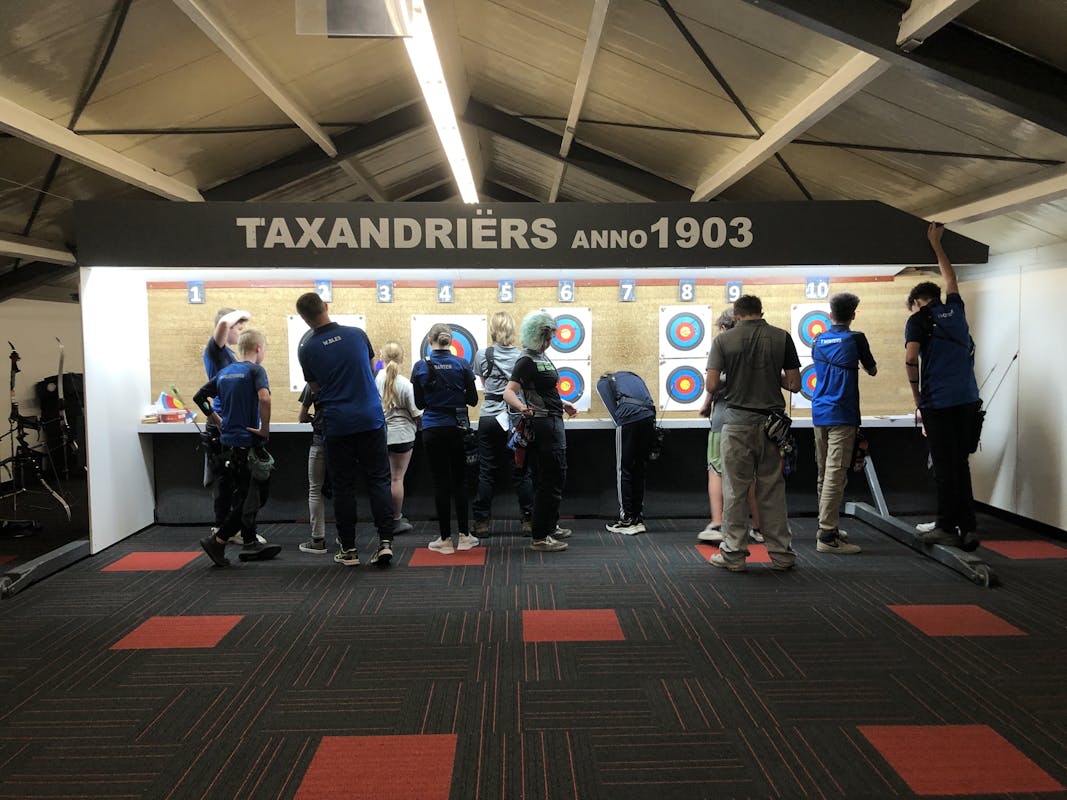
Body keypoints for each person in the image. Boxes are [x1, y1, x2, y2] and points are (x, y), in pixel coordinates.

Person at [295, 292, 394, 567]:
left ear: (304, 319)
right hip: (370, 419)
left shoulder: (307, 349)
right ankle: (385, 542)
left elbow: (316, 389)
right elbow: (372, 369)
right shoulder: (357, 335)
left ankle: (349, 550)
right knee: (378, 480)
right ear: (325, 306)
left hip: (337, 424)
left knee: (343, 487)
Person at [705, 295, 801, 572]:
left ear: (736, 316)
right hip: (771, 427)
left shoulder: (723, 341)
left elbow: (711, 385)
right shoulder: (782, 337)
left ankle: (734, 555)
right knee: (772, 489)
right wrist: (771, 376)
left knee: (735, 490)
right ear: (761, 311)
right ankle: (781, 555)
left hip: (736, 424)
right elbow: (794, 384)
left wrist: (733, 376)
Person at [904, 222, 981, 552]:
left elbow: (911, 359)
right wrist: (936, 244)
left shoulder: (918, 320)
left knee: (944, 466)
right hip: (968, 400)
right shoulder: (956, 309)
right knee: (960, 463)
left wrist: (918, 399)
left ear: (917, 302)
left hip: (938, 403)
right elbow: (951, 278)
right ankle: (969, 527)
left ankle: (947, 527)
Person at [193, 328, 280, 566]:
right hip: (247, 441)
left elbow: (199, 397)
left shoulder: (224, 373)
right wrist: (265, 429)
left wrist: (216, 420)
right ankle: (218, 540)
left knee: (244, 494)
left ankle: (250, 542)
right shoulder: (255, 371)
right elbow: (265, 398)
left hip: (228, 443)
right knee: (257, 495)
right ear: (258, 349)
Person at [503, 312, 578, 553]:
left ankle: (549, 526)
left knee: (557, 476)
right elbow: (509, 392)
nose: (549, 342)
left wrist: (563, 403)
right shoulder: (526, 360)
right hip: (544, 425)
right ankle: (540, 536)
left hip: (554, 420)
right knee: (550, 479)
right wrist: (522, 407)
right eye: (546, 337)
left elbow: (545, 391)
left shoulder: (541, 356)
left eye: (551, 337)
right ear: (536, 336)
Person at [810, 292, 878, 554]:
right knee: (835, 473)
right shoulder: (856, 338)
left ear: (830, 315)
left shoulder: (817, 340)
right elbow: (872, 369)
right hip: (843, 413)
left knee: (824, 473)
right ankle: (827, 535)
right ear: (853, 316)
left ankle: (828, 525)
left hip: (820, 412)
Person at [410, 324, 480, 554]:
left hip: (432, 429)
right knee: (460, 481)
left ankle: (445, 540)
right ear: (450, 340)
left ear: (429, 340)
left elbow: (420, 403)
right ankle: (465, 537)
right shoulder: (461, 364)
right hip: (457, 429)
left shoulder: (420, 366)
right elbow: (472, 400)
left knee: (440, 483)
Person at [698, 309, 762, 545]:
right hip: (751, 420)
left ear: (725, 328)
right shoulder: (755, 349)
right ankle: (759, 527)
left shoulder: (723, 346)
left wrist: (706, 405)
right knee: (749, 476)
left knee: (716, 469)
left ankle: (717, 524)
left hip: (724, 420)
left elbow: (713, 384)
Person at [202, 307, 265, 545]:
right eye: (238, 327)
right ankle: (224, 530)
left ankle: (233, 530)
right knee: (228, 483)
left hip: (232, 425)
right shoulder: (216, 352)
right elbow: (222, 325)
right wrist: (240, 313)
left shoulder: (231, 358)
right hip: (223, 426)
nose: (240, 332)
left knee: (236, 483)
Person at [471, 312, 534, 536]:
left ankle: (481, 523)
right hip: (516, 419)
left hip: (489, 417)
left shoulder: (482, 354)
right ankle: (528, 521)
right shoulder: (522, 357)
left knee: (487, 470)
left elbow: (485, 383)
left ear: (493, 330)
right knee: (521, 470)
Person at [596, 370, 656, 534]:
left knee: (624, 470)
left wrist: (622, 423)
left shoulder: (604, 382)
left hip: (629, 419)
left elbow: (614, 411)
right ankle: (637, 518)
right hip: (649, 417)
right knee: (639, 469)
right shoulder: (634, 376)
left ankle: (627, 520)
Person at [375, 341, 421, 535]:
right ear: (402, 359)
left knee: (382, 480)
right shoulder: (406, 384)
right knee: (396, 478)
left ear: (382, 358)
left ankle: (383, 519)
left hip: (380, 435)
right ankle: (395, 520)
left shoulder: (376, 379)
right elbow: (416, 413)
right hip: (402, 436)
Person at [296, 383, 328, 553]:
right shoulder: (343, 377)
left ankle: (317, 539)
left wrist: (313, 418)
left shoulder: (312, 382)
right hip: (342, 441)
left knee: (315, 489)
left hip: (319, 439)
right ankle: (346, 538)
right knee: (344, 489)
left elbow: (302, 417)